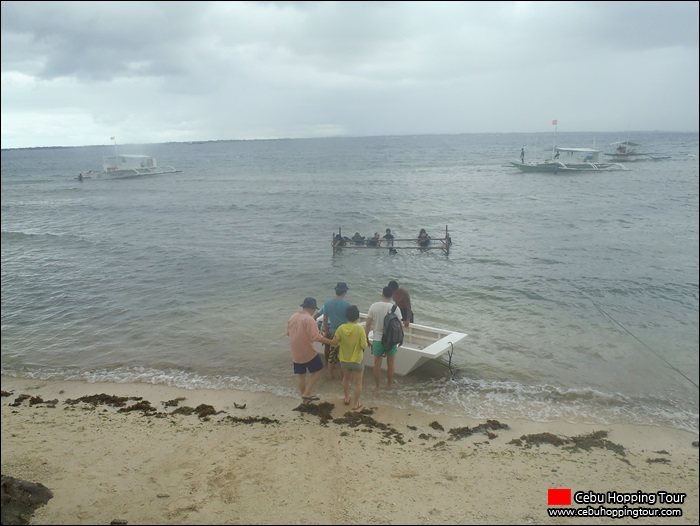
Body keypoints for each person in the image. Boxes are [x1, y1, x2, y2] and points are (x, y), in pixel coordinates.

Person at [327, 305, 367, 411]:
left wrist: (323, 339)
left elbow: (335, 343)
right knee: (358, 383)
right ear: (357, 317)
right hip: (357, 360)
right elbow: (364, 345)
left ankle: (346, 397)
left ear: (346, 317)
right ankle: (356, 403)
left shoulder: (340, 328)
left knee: (346, 379)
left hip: (344, 359)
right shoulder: (360, 329)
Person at [286, 297, 326, 402]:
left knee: (301, 375)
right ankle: (307, 393)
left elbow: (288, 333)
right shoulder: (309, 319)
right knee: (318, 370)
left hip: (295, 351)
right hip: (307, 351)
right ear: (312, 308)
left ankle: (305, 398)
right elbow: (316, 337)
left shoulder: (293, 316)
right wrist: (332, 342)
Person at [365, 286, 398, 389]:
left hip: (378, 339)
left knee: (377, 364)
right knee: (391, 364)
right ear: (392, 296)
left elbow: (368, 324)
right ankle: (390, 385)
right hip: (391, 340)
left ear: (382, 294)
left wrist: (366, 337)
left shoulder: (374, 306)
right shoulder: (395, 308)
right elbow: (399, 326)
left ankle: (377, 386)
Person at [320, 282, 352, 380]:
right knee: (343, 356)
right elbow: (350, 321)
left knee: (332, 355)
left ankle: (330, 375)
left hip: (332, 331)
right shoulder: (348, 305)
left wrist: (326, 330)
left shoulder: (327, 303)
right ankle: (343, 377)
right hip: (344, 333)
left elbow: (325, 318)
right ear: (345, 292)